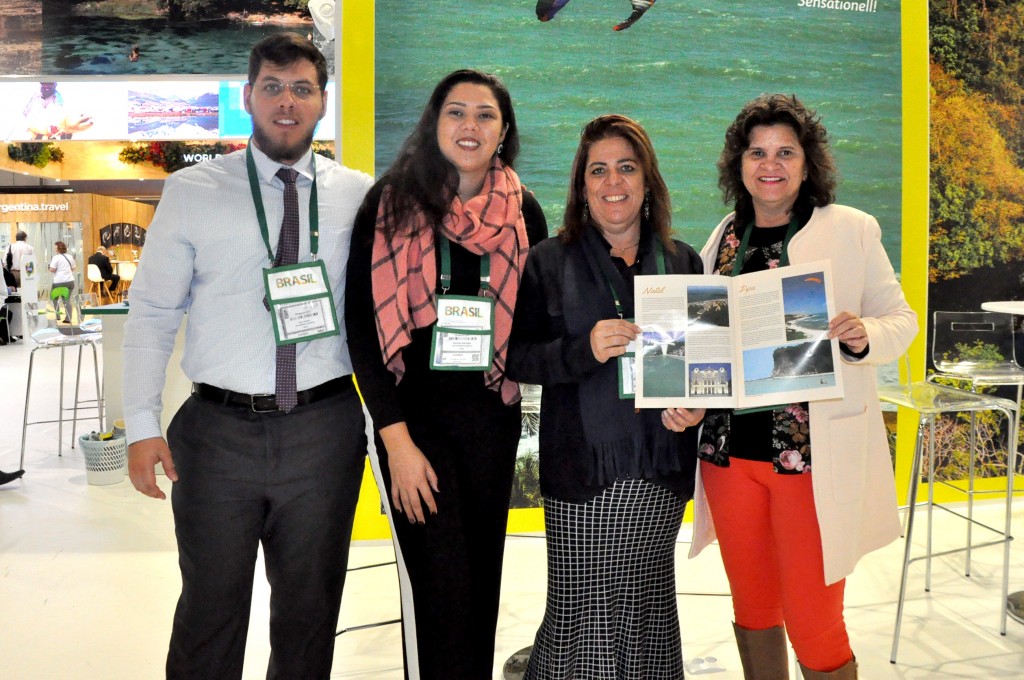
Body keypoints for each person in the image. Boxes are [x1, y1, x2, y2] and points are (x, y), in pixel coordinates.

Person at [123, 33, 373, 680]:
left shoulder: (360, 196)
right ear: (248, 96)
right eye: (272, 87)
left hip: (324, 431)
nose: (286, 102)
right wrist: (143, 426)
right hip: (216, 436)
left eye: (301, 88)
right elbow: (151, 312)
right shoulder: (192, 190)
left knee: (310, 614)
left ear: (322, 101)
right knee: (209, 611)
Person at [688, 93, 918, 679]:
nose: (771, 164)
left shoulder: (852, 229)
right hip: (727, 455)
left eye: (786, 152)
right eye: (757, 151)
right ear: (738, 163)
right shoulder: (722, 237)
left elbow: (902, 321)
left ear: (808, 163)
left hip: (810, 463)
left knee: (816, 625)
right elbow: (708, 338)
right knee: (754, 610)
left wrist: (862, 335)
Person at [345, 69, 547, 679]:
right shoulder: (390, 204)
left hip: (492, 422)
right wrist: (396, 441)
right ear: (435, 123)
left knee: (482, 585)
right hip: (416, 430)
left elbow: (538, 322)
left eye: (485, 114)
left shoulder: (524, 211)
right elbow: (362, 331)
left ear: (504, 130)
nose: (470, 125)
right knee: (438, 591)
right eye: (456, 112)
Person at [506, 114, 704, 678]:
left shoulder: (684, 263)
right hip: (581, 473)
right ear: (582, 184)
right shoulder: (549, 260)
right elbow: (518, 358)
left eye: (626, 167)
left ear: (647, 180)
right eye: (599, 170)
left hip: (660, 472)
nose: (612, 181)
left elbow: (710, 368)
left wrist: (698, 406)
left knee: (647, 615)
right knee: (576, 618)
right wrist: (582, 350)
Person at [47, 241, 75, 323]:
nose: (54, 248)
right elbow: (73, 268)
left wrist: (49, 268)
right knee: (66, 300)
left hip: (59, 282)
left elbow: (52, 269)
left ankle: (58, 316)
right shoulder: (70, 257)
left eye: (55, 247)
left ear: (58, 248)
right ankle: (68, 318)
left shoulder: (56, 258)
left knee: (54, 298)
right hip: (70, 281)